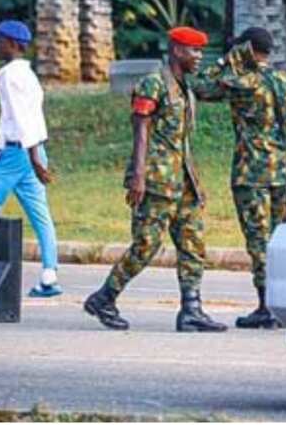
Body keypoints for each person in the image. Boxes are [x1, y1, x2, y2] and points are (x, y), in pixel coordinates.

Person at [83, 26, 226, 333]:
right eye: (194, 50)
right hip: (156, 180)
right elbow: (141, 128)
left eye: (201, 51)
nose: (199, 57)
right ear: (176, 50)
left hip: (183, 180)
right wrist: (137, 174)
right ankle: (104, 298)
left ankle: (191, 310)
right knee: (146, 245)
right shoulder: (154, 83)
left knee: (193, 244)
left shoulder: (183, 86)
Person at [190, 27, 286, 329]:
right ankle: (280, 306)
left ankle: (266, 307)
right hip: (281, 174)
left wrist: (225, 60)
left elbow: (200, 85)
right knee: (278, 238)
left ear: (246, 48)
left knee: (259, 243)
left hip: (252, 175)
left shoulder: (241, 82)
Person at [0, 20, 61, 297]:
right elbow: (23, 118)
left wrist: (32, 158)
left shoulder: (8, 75)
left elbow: (20, 120)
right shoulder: (29, 75)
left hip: (19, 153)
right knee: (40, 214)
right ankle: (49, 275)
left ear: (11, 44)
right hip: (28, 149)